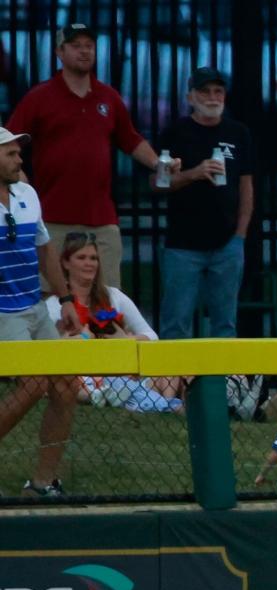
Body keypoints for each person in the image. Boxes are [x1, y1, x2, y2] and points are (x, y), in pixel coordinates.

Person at [6, 22, 179, 290]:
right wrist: (19, 180)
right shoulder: (40, 97)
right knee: (49, 295)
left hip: (102, 219)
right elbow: (9, 141)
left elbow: (130, 139)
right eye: (76, 46)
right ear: (59, 52)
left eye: (89, 46)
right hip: (52, 216)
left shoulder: (108, 97)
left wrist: (159, 164)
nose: (84, 51)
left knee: (107, 295)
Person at [0, 126, 82, 497]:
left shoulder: (28, 194)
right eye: (11, 154)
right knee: (33, 384)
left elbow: (46, 250)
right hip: (4, 312)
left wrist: (65, 301)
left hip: (34, 306)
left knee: (66, 385)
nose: (20, 161)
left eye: (19, 153)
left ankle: (44, 481)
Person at [152, 66, 255, 340]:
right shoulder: (175, 133)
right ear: (190, 97)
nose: (213, 97)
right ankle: (174, 383)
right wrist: (193, 174)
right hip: (182, 245)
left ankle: (223, 383)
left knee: (225, 324)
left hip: (227, 245)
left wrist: (240, 235)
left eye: (218, 91)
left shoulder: (238, 132)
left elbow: (246, 186)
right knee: (176, 323)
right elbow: (157, 184)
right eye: (205, 91)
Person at [45, 231, 182, 413]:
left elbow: (152, 336)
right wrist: (86, 337)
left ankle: (164, 403)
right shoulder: (54, 305)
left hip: (123, 370)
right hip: (84, 377)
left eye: (93, 258)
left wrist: (123, 341)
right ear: (66, 263)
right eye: (82, 258)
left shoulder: (114, 296)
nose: (89, 264)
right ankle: (166, 406)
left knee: (170, 364)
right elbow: (50, 351)